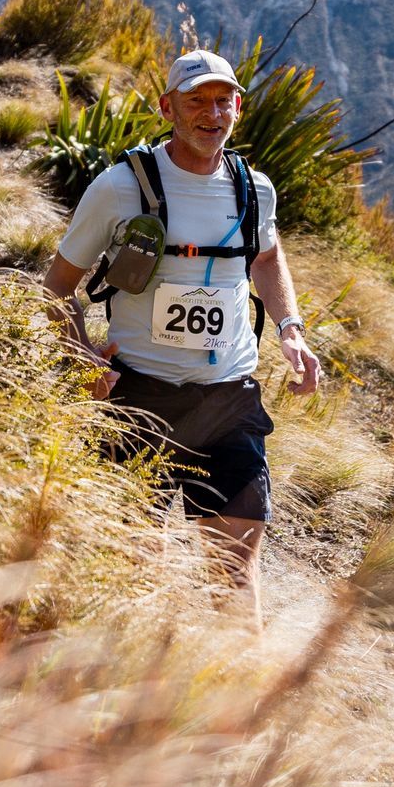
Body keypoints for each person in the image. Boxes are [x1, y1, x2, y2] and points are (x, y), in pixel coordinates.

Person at [42, 48, 320, 622]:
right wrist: (81, 353)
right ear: (168, 107)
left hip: (229, 401)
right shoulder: (121, 188)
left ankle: (238, 704)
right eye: (196, 100)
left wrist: (290, 329)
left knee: (233, 579)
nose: (211, 113)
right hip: (139, 399)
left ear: (237, 108)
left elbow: (266, 258)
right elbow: (56, 288)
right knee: (132, 570)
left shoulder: (254, 189)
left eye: (223, 101)